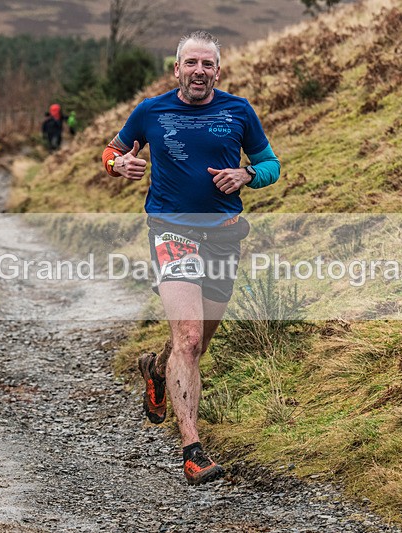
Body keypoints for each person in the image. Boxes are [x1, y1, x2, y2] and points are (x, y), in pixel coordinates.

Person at [101, 30, 280, 486]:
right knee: (188, 338)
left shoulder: (238, 111)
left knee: (198, 342)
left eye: (208, 65)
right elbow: (112, 151)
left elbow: (271, 166)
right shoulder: (151, 110)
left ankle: (157, 370)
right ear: (176, 69)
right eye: (191, 63)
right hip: (171, 232)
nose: (199, 71)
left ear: (217, 72)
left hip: (222, 237)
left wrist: (246, 174)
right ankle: (192, 450)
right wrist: (116, 165)